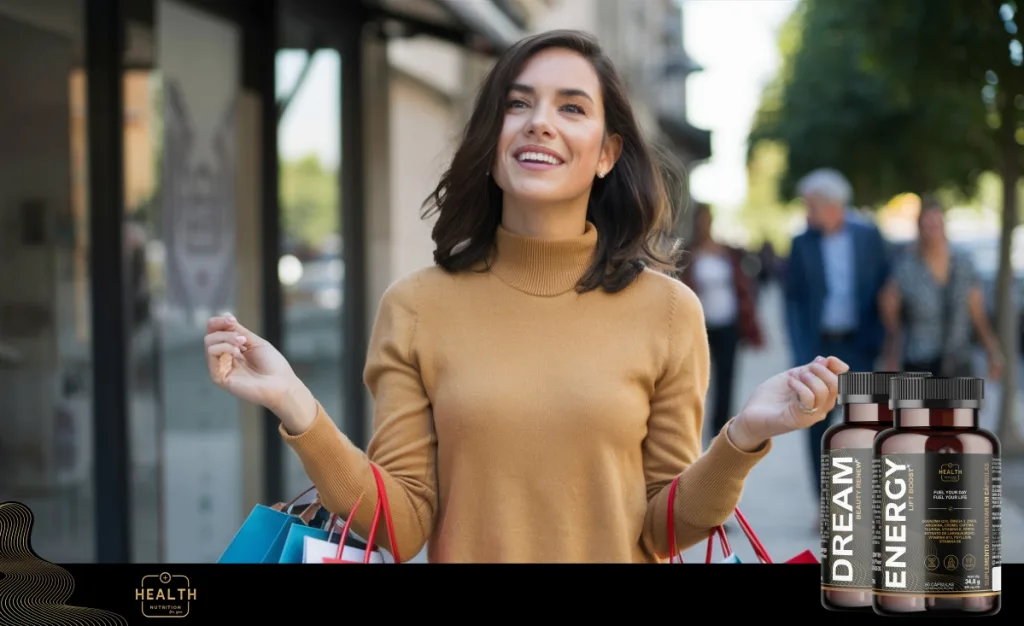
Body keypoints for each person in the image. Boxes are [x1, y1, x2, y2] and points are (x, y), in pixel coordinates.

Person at [205, 30, 848, 563]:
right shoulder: (416, 307)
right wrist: (295, 405)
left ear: (606, 152)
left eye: (571, 108)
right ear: (492, 142)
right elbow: (399, 527)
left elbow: (663, 529)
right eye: (519, 104)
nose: (540, 123)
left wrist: (743, 437)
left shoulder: (670, 312)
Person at [783, 168, 889, 510]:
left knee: (865, 424)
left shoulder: (869, 236)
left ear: (832, 206)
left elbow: (887, 286)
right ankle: (827, 504)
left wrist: (881, 340)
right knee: (818, 427)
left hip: (859, 345)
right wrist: (801, 351)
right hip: (820, 349)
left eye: (810, 205)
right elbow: (793, 302)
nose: (806, 212)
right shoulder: (801, 243)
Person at [879, 197, 1004, 379]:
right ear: (919, 228)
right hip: (919, 359)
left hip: (958, 358)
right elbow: (892, 319)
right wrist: (891, 355)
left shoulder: (963, 263)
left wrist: (992, 350)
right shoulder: (907, 267)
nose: (933, 230)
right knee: (919, 408)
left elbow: (978, 313)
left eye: (937, 224)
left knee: (960, 407)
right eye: (927, 224)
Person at [680, 203, 764, 441]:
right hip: (701, 325)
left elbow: (743, 285)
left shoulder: (725, 252)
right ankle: (691, 429)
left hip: (728, 322)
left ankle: (721, 432)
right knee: (695, 380)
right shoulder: (689, 252)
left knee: (726, 378)